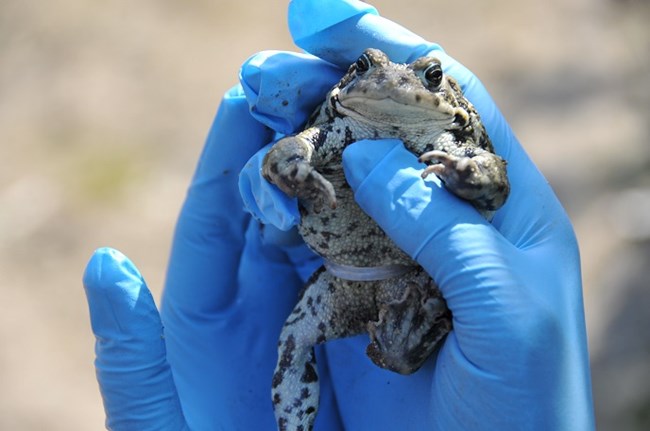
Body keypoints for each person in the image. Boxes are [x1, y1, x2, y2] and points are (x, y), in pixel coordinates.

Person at [82, 1, 595, 429]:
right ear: (351, 81)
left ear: (443, 92)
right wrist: (299, 175)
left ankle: (398, 351)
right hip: (341, 278)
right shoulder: (338, 125)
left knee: (401, 352)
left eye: (426, 77)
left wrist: (468, 175)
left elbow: (494, 180)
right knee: (294, 338)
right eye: (368, 69)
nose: (392, 83)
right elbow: (283, 155)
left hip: (417, 279)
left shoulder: (445, 133)